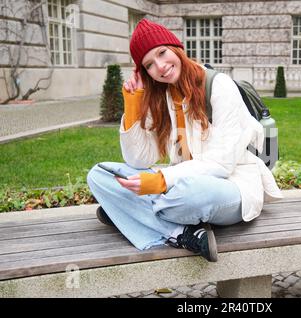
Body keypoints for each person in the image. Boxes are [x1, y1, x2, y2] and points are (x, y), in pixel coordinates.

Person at [87, 19, 283, 262]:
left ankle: (128, 211)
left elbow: (221, 165)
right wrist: (134, 103)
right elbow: (138, 159)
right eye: (149, 65)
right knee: (99, 174)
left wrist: (161, 181)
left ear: (176, 48)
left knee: (192, 195)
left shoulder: (219, 86)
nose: (160, 66)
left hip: (230, 187)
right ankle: (179, 233)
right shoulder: (161, 96)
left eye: (162, 53)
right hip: (179, 184)